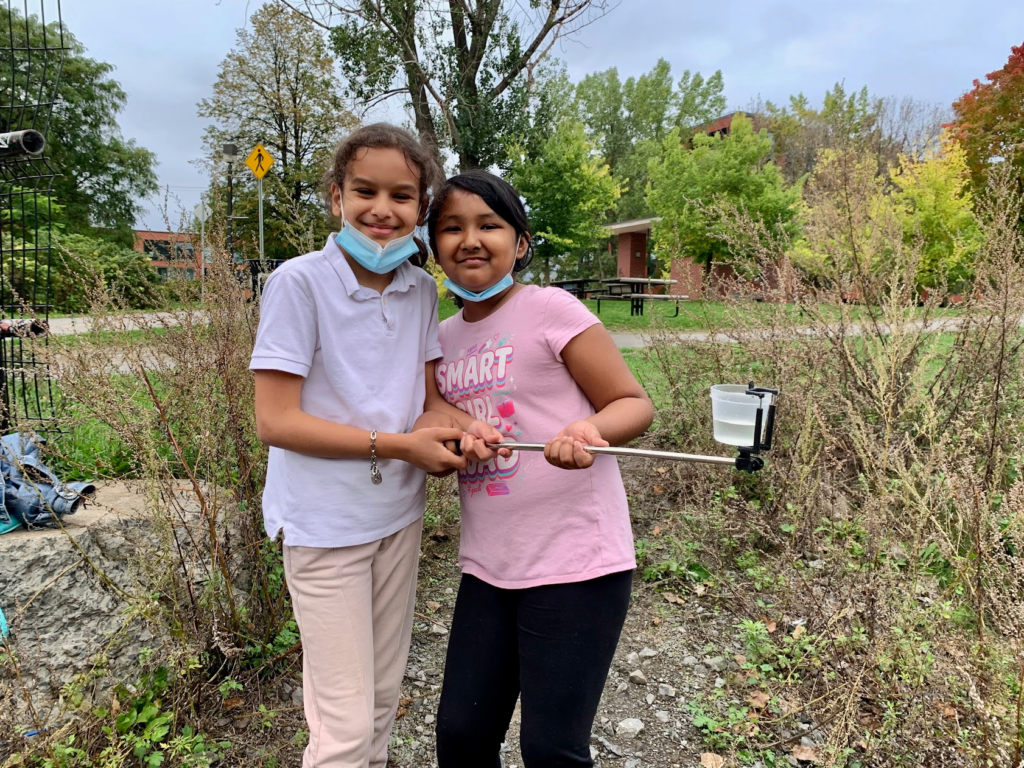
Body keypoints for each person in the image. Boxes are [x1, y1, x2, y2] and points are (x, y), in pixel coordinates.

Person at [250, 124, 501, 768]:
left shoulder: (420, 290)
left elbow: (425, 403)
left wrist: (464, 426)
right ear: (336, 197)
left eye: (403, 195)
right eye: (365, 190)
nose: (383, 210)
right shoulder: (297, 284)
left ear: (422, 209)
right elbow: (276, 421)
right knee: (343, 725)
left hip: (397, 517)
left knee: (382, 700)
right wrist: (398, 446)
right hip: (325, 525)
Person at [426, 170, 655, 767]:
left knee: (552, 748)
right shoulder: (437, 338)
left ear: (520, 243)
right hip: (490, 566)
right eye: (451, 228)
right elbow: (433, 425)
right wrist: (450, 445)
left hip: (577, 564)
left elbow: (633, 404)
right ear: (434, 248)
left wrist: (589, 430)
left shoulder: (552, 308)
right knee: (462, 737)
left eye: (489, 225)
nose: (470, 240)